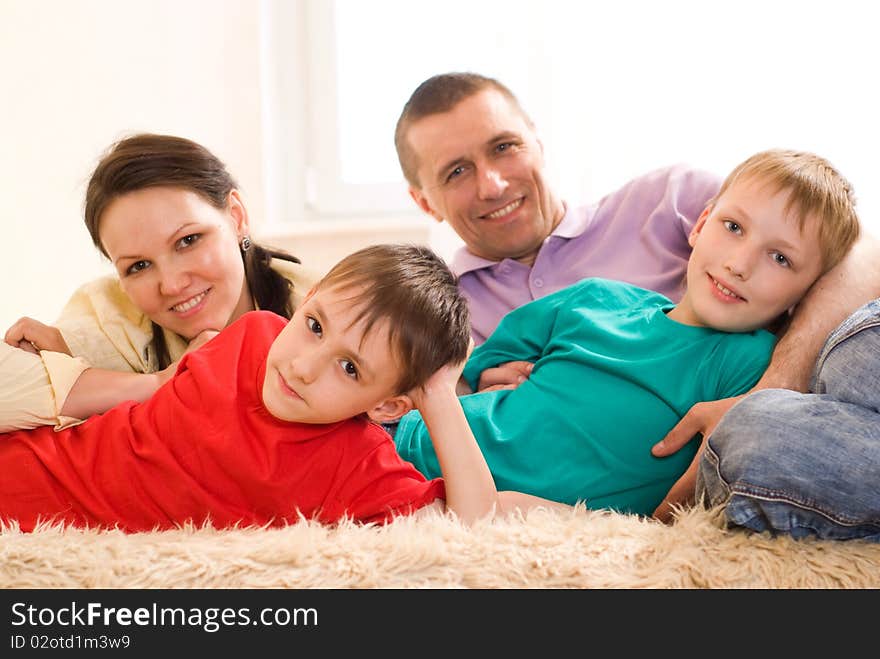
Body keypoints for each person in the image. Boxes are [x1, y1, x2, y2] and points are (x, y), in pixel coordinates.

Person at [394, 72, 880, 516]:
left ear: (537, 142)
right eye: (456, 171)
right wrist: (468, 384)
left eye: (504, 146)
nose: (493, 184)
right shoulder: (436, 302)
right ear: (422, 202)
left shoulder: (670, 198)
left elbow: (856, 249)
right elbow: (412, 392)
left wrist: (767, 393)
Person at [0, 244, 564, 533]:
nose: (301, 367)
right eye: (315, 326)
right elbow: (148, 396)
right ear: (309, 296)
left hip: (41, 517)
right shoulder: (254, 332)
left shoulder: (358, 465)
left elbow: (478, 520)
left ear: (389, 402)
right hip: (33, 453)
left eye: (349, 369)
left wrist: (438, 393)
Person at [1, 133, 322, 432]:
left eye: (188, 240)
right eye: (139, 266)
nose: (171, 285)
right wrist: (162, 382)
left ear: (236, 217)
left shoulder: (322, 307)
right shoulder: (110, 312)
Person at [697, 296, 880, 541]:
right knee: (858, 355)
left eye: (780, 259)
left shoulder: (752, 355)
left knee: (755, 437)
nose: (738, 267)